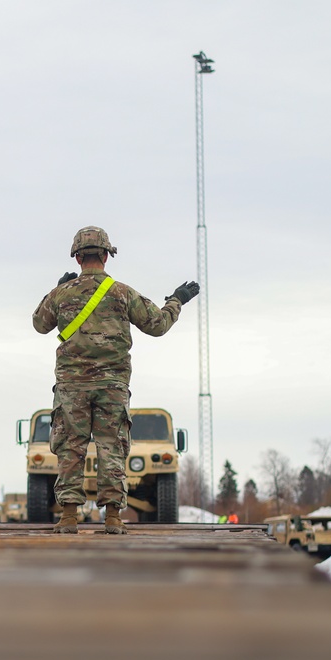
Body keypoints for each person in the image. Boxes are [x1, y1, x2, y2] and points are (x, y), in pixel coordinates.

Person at [32, 226, 199, 534]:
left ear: (78, 257)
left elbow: (40, 324)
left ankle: (69, 517)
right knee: (112, 447)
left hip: (72, 387)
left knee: (71, 447)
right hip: (112, 386)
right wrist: (177, 300)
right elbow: (158, 325)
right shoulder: (122, 293)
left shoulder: (62, 294)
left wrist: (53, 291)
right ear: (107, 256)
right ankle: (112, 518)